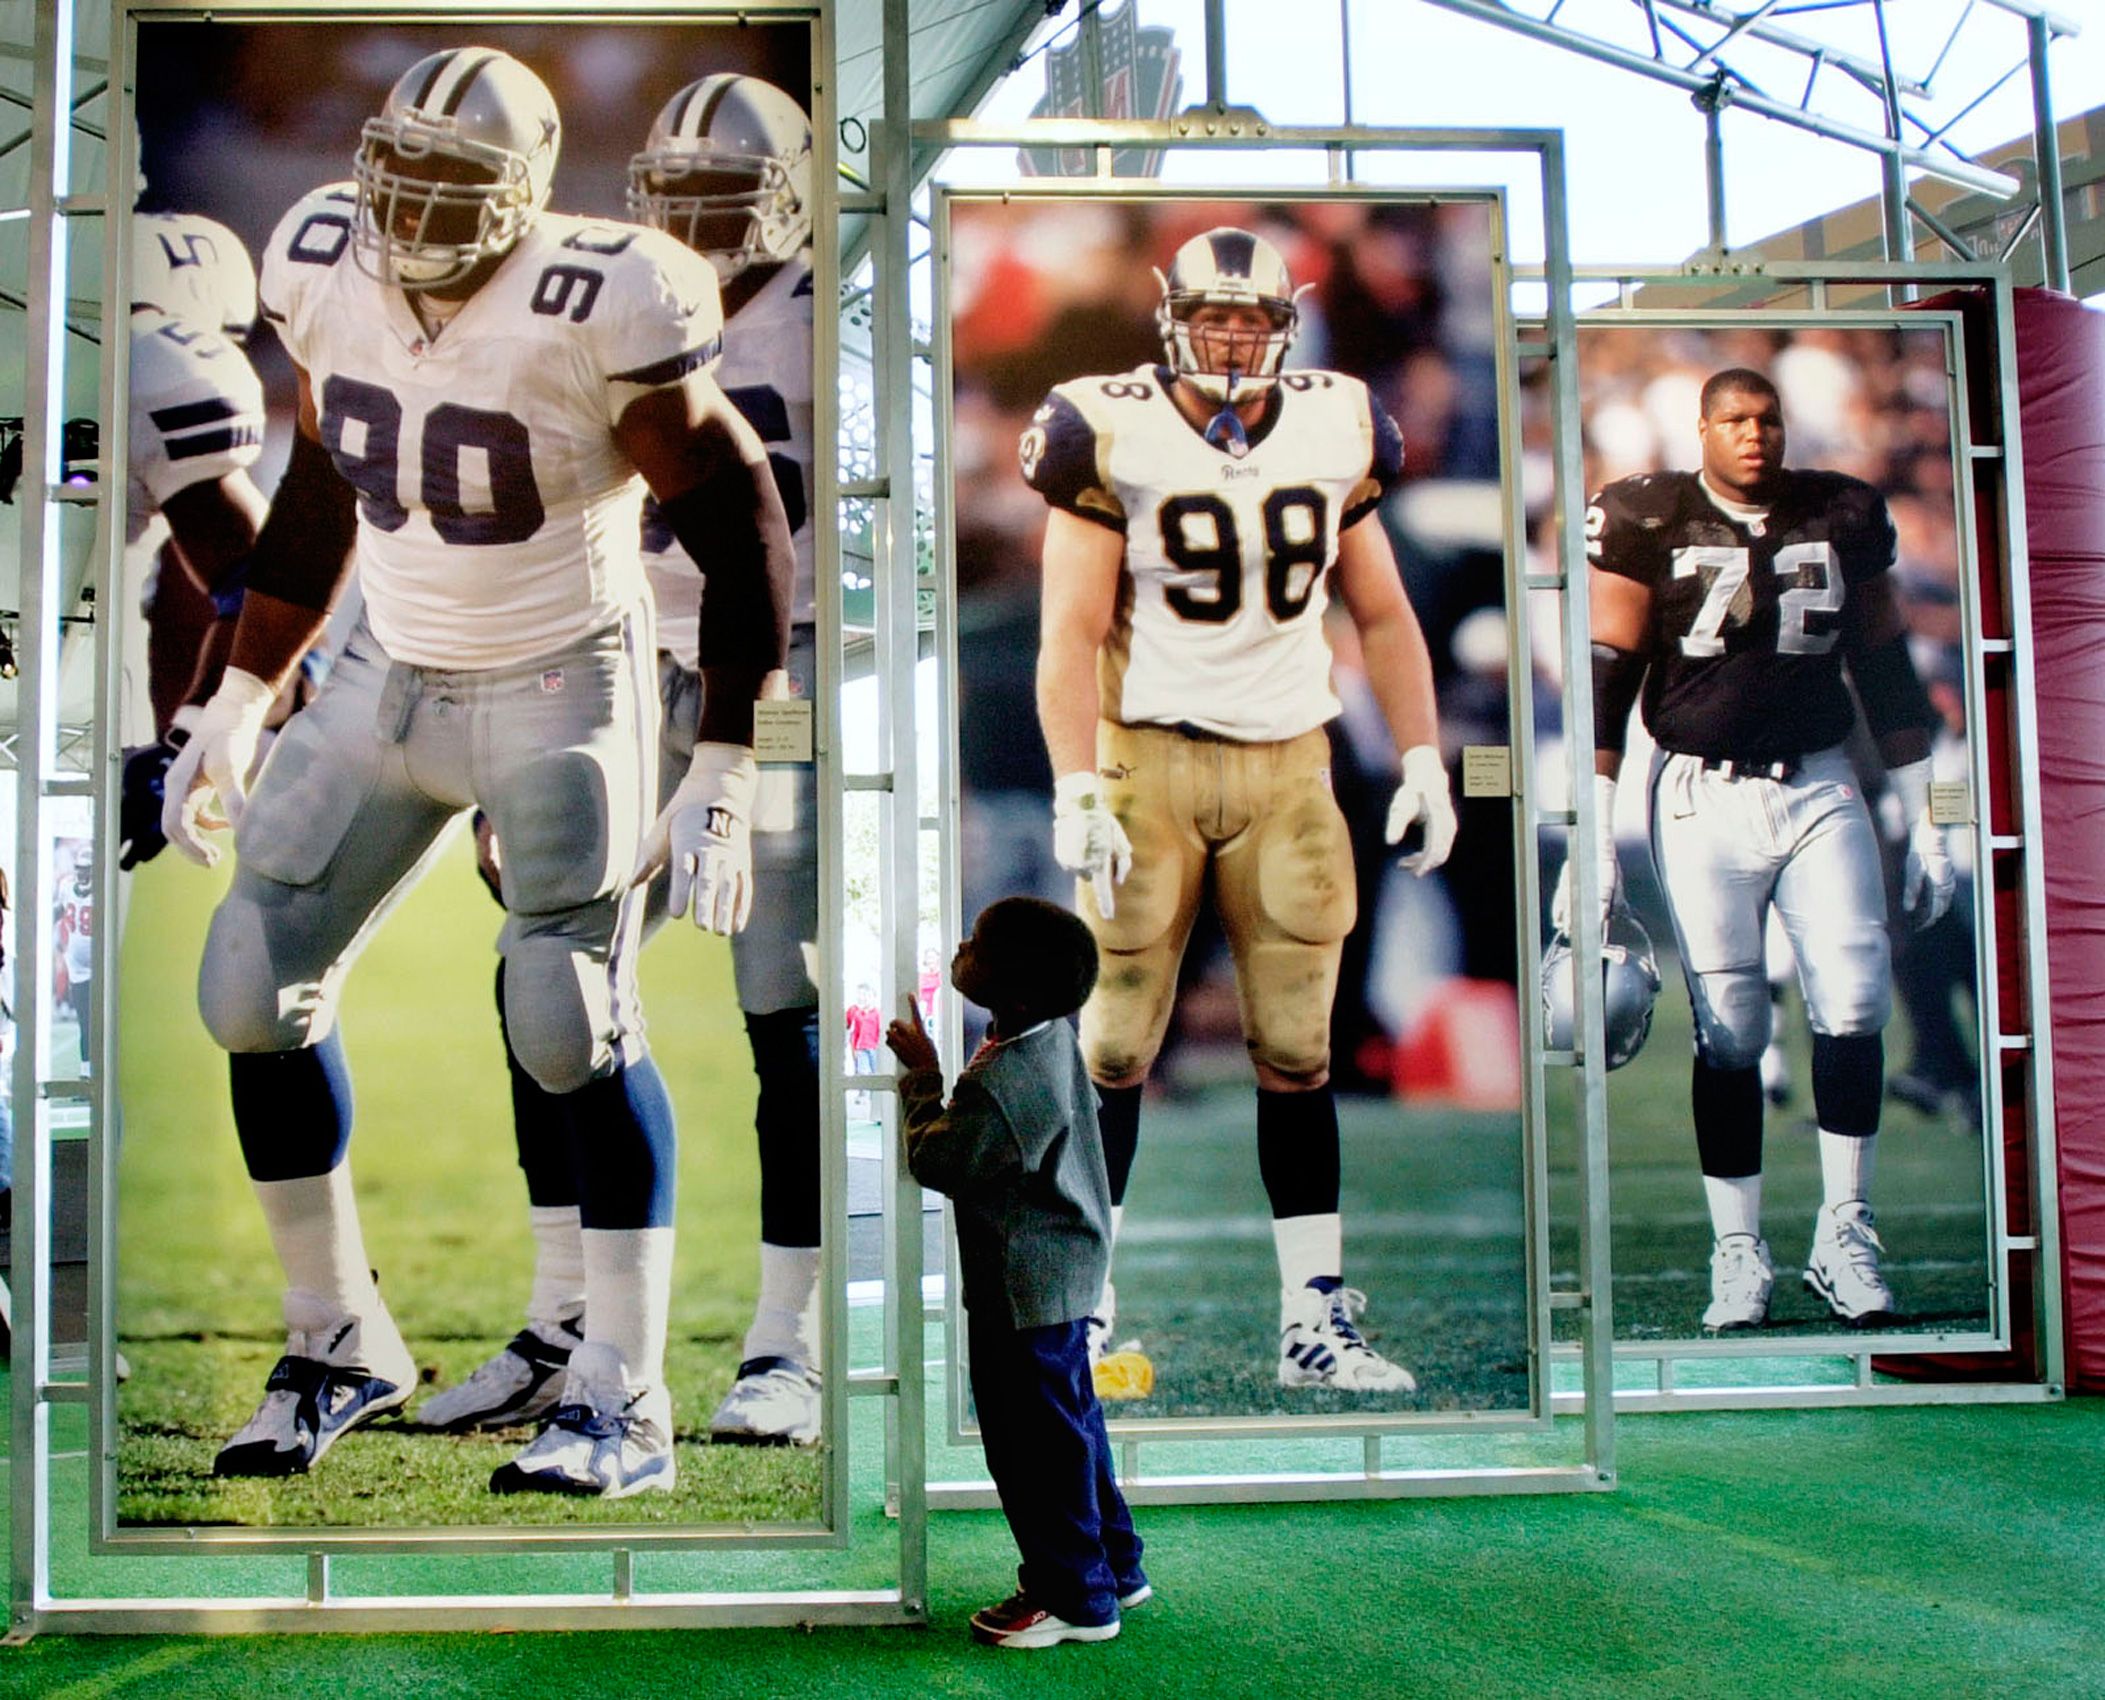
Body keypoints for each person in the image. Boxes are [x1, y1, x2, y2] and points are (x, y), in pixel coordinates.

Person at [160, 46, 794, 1495]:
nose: (414, 210)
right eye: (400, 175)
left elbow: (740, 517)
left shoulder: (603, 294)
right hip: (385, 667)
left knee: (568, 1014)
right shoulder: (322, 255)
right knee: (250, 984)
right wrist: (242, 691)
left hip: (562, 678)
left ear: (519, 192)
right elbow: (322, 480)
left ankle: (622, 1396)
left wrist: (727, 758)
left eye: (451, 184)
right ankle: (336, 1338)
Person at [416, 71, 824, 1449]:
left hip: (782, 679)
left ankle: (788, 1341)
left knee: (784, 998)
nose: (697, 228)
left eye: (726, 199)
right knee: (543, 979)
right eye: (677, 199)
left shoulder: (838, 314)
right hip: (618, 666)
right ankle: (562, 1322)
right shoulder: (616, 298)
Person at [1023, 226, 1457, 1394]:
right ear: (1172, 318)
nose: (1230, 339)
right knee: (1114, 1045)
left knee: (1299, 1051)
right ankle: (1085, 1307)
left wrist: (1421, 755)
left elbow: (1383, 611)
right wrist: (1076, 779)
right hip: (1146, 758)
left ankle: (1312, 1318)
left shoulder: (1335, 420)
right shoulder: (1103, 423)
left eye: (1251, 320)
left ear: (1285, 325)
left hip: (1288, 763)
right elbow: (1069, 628)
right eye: (1212, 317)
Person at [1563, 365, 1954, 1333]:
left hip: (1821, 781)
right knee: (1732, 1029)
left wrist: (1929, 814)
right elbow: (1607, 679)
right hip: (1700, 792)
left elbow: (1887, 667)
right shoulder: (1646, 515)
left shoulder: (1840, 511)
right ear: (1699, 429)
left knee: (1854, 1002)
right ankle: (1736, 1247)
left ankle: (1844, 1231)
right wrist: (1588, 835)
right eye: (1733, 419)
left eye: (1767, 419)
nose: (1753, 434)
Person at [886, 897, 1148, 1650]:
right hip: (1059, 1275)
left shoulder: (1012, 1082)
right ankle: (1115, 1566)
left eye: (977, 946)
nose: (961, 948)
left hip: (1024, 1288)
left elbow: (940, 1159)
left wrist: (921, 1079)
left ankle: (1075, 1597)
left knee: (1033, 1446)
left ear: (1018, 995)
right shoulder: (1043, 1036)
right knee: (1071, 1429)